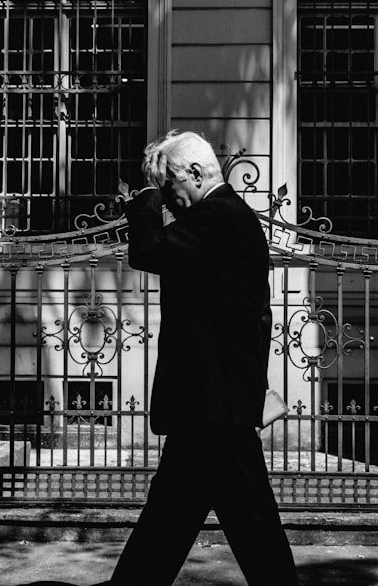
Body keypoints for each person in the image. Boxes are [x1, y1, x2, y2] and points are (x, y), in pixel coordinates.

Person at [107, 131, 298, 585]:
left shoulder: (220, 216)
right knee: (179, 521)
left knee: (229, 526)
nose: (171, 203)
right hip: (211, 404)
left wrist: (147, 197)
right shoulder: (225, 218)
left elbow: (148, 250)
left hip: (215, 407)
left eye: (172, 189)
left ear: (194, 174)